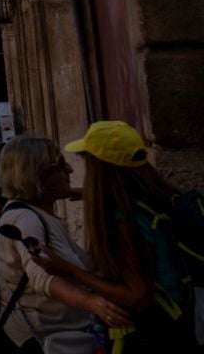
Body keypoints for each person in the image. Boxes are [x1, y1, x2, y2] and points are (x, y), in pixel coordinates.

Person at [65, 120, 201, 351]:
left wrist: (68, 270)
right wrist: (86, 194)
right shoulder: (157, 197)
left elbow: (138, 295)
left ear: (100, 169)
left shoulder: (125, 220)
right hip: (181, 324)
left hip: (153, 334)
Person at [0, 135, 133, 354]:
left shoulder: (41, 212)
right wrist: (93, 303)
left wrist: (89, 194)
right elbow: (42, 277)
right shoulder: (25, 220)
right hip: (47, 339)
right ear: (36, 174)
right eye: (58, 164)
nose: (69, 169)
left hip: (70, 332)